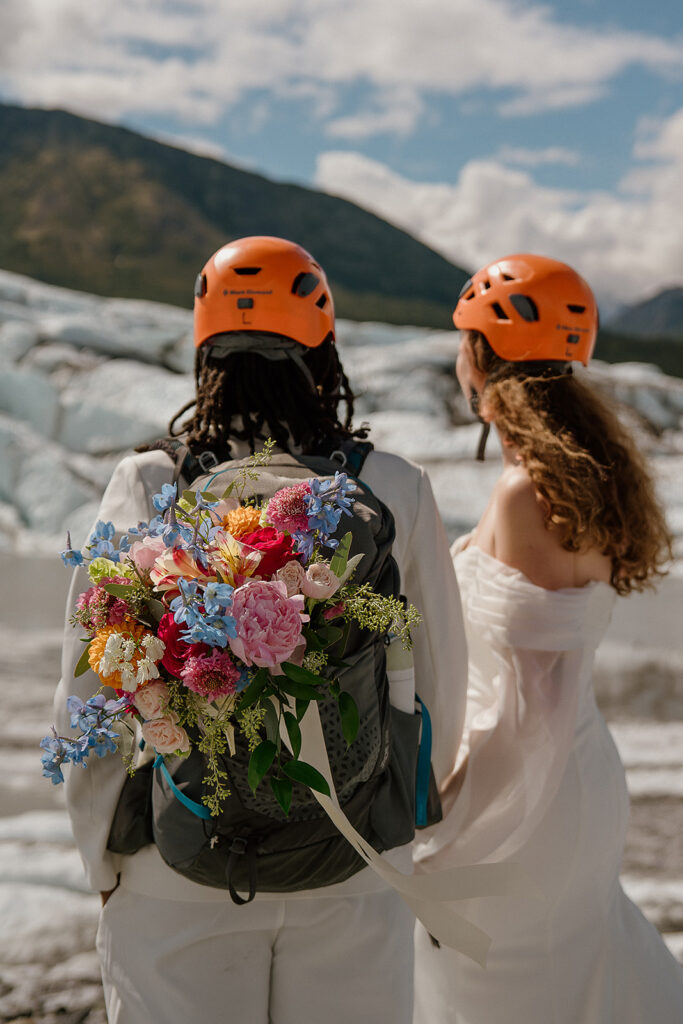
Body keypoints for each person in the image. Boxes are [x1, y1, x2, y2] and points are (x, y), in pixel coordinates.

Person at [54, 235, 468, 1024]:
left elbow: (92, 680)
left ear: (205, 347)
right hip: (353, 858)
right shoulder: (393, 486)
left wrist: (101, 853)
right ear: (322, 348)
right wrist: (398, 822)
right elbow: (439, 675)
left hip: (177, 862)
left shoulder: (151, 481)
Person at [413, 253, 683, 1023]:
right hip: (577, 776)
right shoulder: (585, 476)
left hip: (525, 784)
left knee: (500, 988)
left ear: (478, 357)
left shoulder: (522, 492)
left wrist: (454, 801)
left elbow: (538, 690)